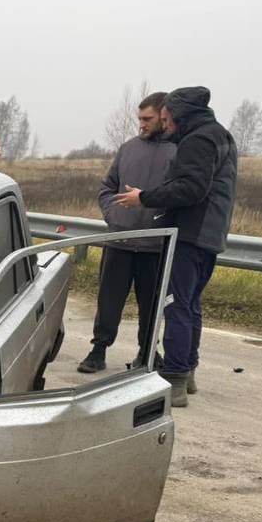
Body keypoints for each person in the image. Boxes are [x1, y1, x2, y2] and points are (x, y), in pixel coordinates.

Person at [114, 87, 238, 406]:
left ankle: (174, 380)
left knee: (176, 305)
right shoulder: (218, 135)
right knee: (190, 304)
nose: (164, 122)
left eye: (167, 117)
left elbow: (190, 189)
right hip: (209, 234)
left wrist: (145, 197)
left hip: (190, 234)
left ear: (180, 114)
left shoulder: (197, 140)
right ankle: (188, 371)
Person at [77, 92, 177, 373]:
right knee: (109, 299)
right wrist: (113, 214)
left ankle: (146, 354)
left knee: (151, 304)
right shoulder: (128, 148)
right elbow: (107, 187)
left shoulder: (178, 151)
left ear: (163, 116)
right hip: (118, 240)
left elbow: (182, 193)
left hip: (156, 245)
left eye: (148, 119)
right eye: (139, 119)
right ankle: (98, 350)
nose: (142, 124)